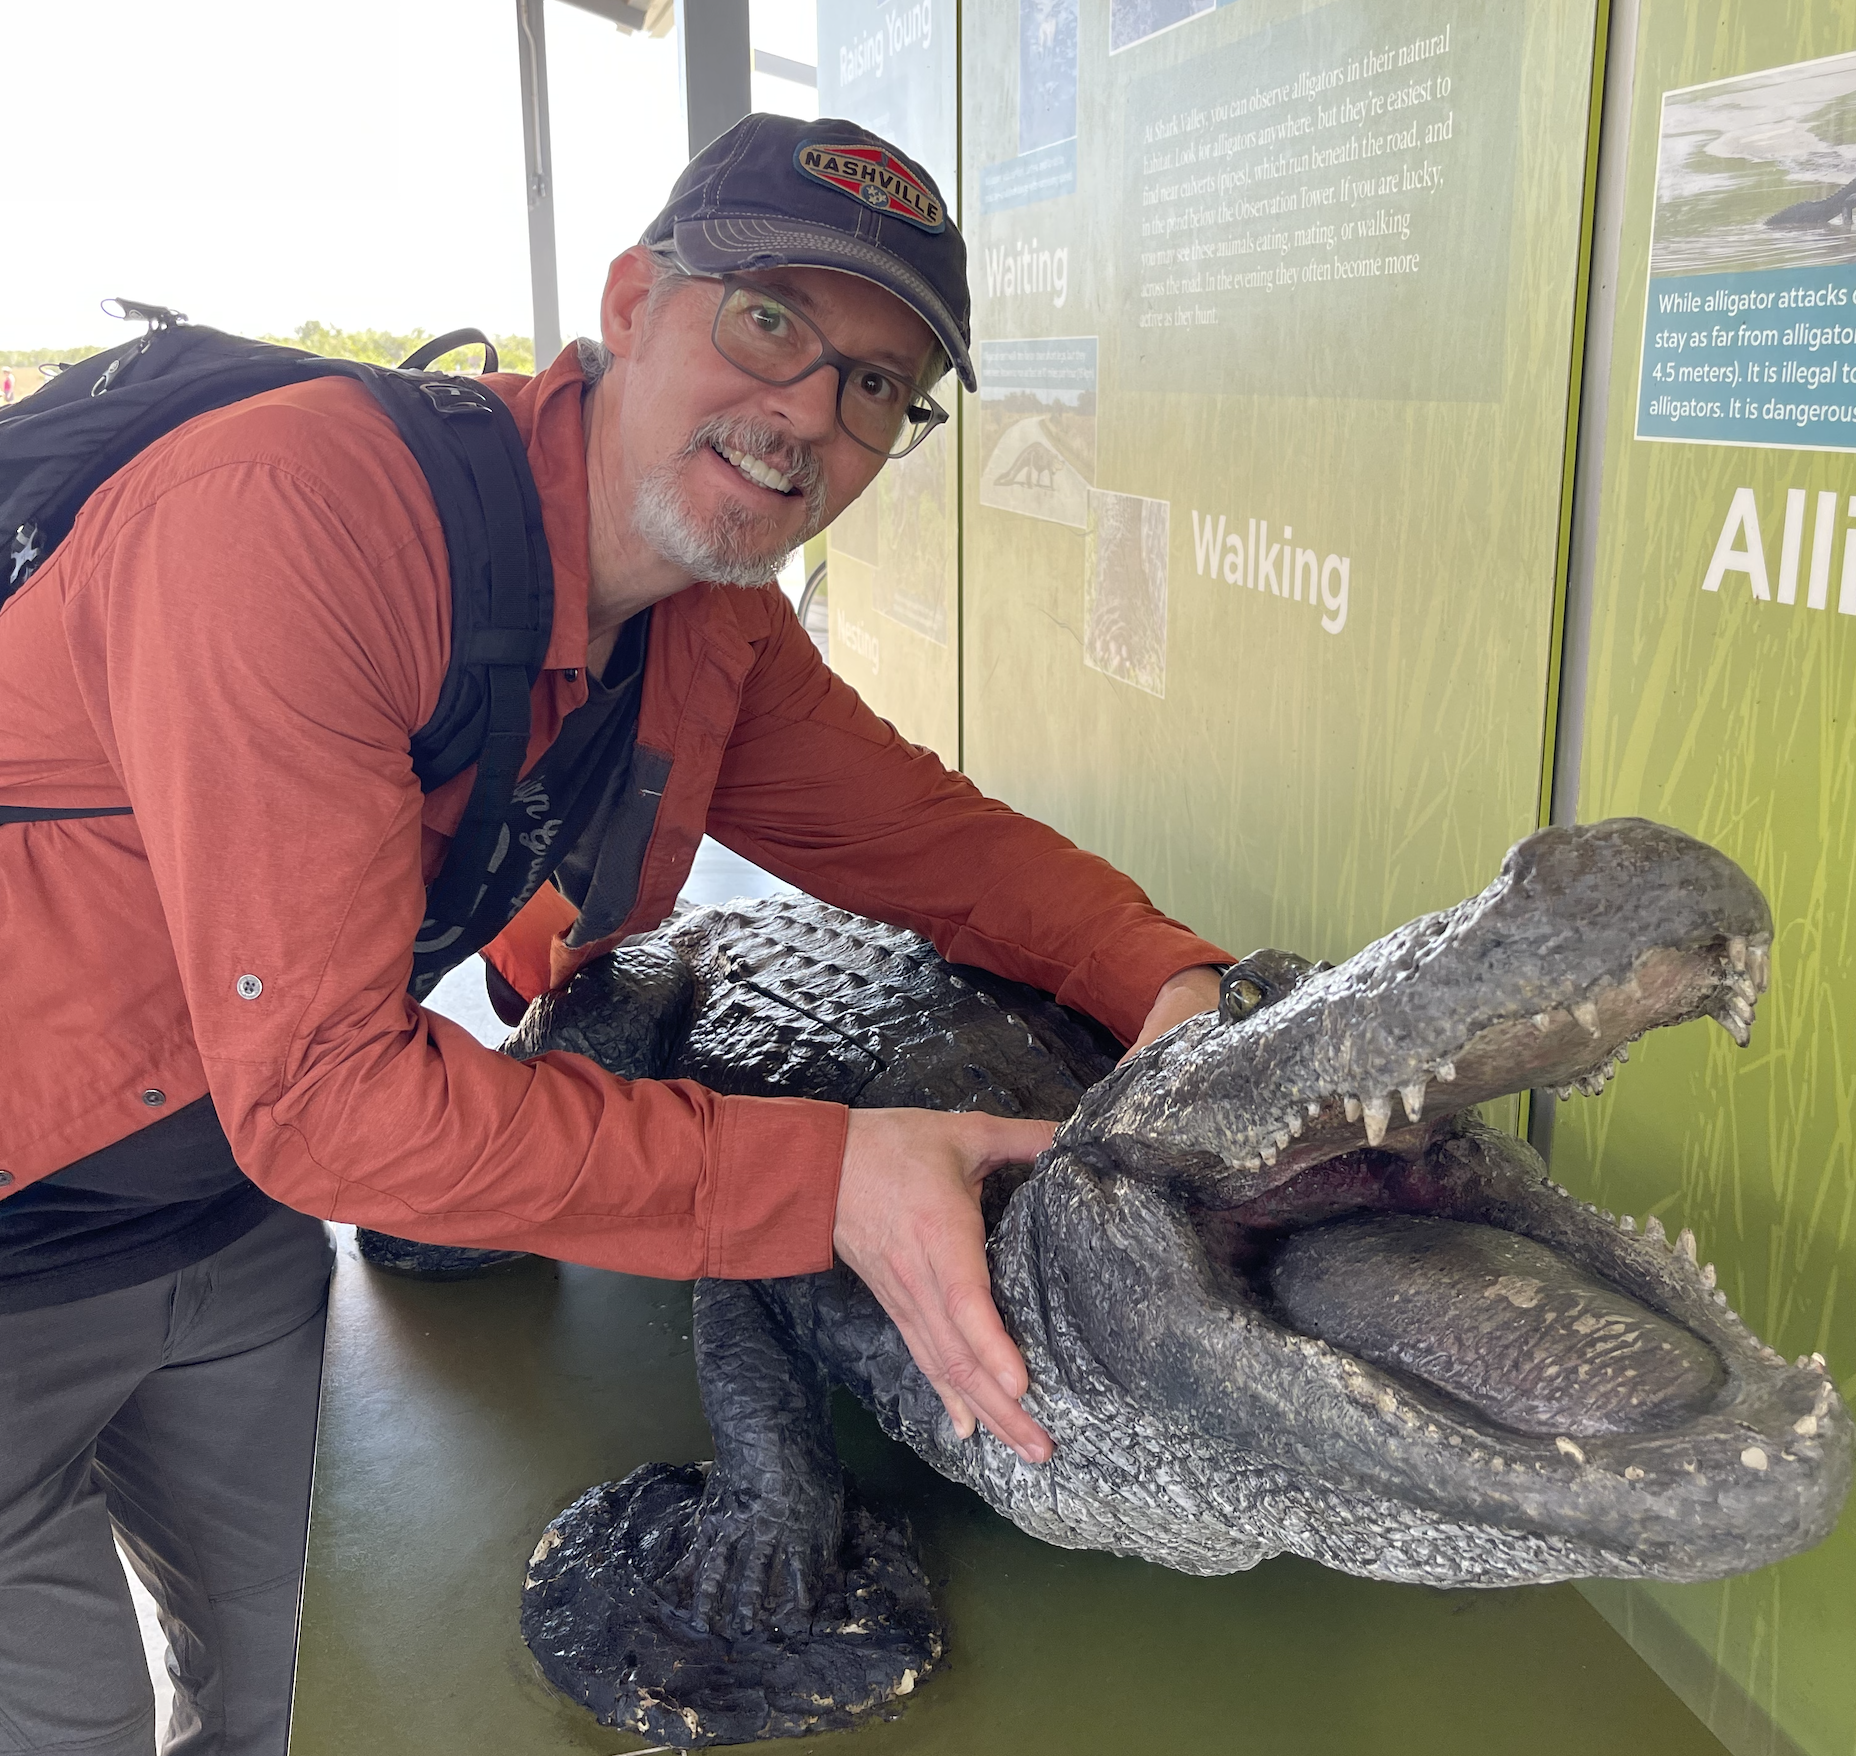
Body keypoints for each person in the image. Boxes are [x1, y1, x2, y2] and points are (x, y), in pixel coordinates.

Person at [0, 114, 1231, 1755]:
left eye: (879, 384)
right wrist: (827, 1177)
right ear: (633, 299)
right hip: (33, 1214)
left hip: (226, 1216)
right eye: (771, 320)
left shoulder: (706, 627)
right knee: (65, 1723)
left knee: (282, 1682)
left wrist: (1176, 983)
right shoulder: (292, 516)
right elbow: (329, 1097)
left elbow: (937, 845)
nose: (812, 413)